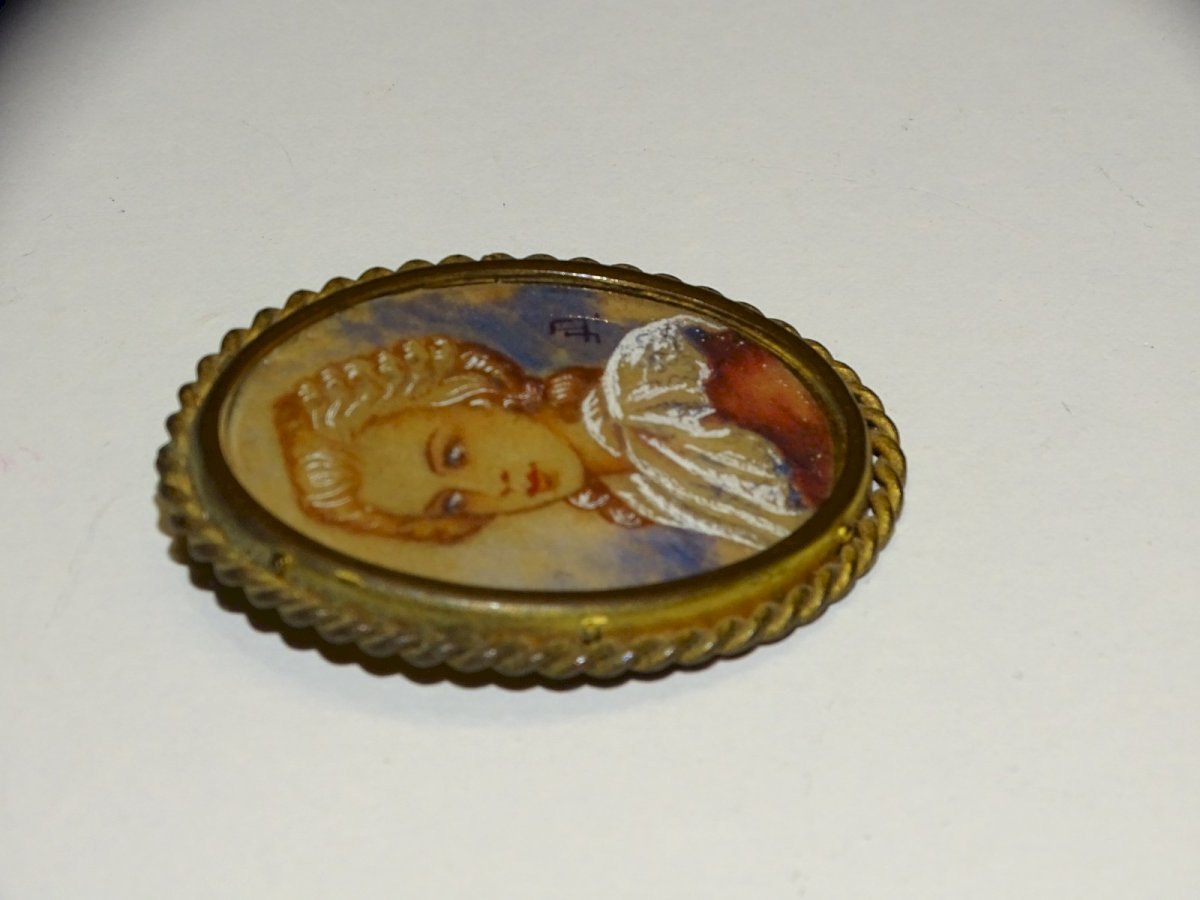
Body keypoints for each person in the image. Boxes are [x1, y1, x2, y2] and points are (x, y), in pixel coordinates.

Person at [273, 315, 833, 550]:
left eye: (456, 454)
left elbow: (820, 432)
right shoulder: (640, 492)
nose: (490, 490)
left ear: (477, 396)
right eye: (452, 503)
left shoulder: (658, 374)